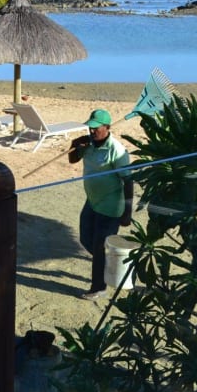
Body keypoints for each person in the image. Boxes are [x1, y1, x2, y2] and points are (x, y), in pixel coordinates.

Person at [68, 108, 133, 300]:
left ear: (107, 127)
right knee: (85, 239)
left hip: (111, 207)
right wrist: (74, 144)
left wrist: (127, 211)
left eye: (96, 128)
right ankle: (108, 264)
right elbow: (73, 159)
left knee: (98, 247)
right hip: (92, 202)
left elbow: (128, 181)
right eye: (90, 127)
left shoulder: (117, 151)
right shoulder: (88, 144)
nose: (92, 131)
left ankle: (98, 288)